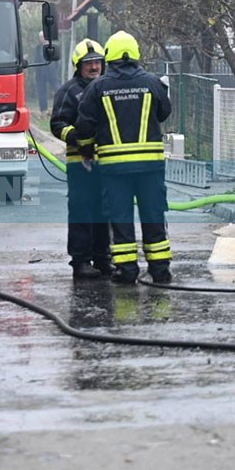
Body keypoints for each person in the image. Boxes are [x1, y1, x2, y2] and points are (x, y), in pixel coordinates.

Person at [75, 31, 174, 285]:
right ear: (136, 54)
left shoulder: (98, 87)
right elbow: (164, 112)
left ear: (109, 56)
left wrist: (87, 150)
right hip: (150, 167)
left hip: (114, 169)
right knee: (153, 215)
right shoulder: (153, 83)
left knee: (120, 218)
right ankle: (160, 270)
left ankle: (127, 270)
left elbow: (85, 126)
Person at [50, 38, 111, 279]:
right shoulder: (69, 91)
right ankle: (81, 261)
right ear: (78, 65)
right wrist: (77, 136)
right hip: (79, 164)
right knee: (82, 212)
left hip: (106, 162)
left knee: (104, 211)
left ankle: (103, 258)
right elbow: (57, 124)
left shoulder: (108, 87)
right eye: (88, 63)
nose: (94, 67)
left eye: (97, 62)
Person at [32, 36, 60, 114]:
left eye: (43, 37)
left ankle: (61, 104)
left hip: (52, 72)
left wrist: (56, 70)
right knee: (41, 91)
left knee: (57, 89)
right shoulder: (38, 48)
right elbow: (36, 59)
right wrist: (36, 70)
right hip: (41, 73)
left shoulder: (52, 46)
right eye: (40, 37)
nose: (42, 39)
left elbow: (57, 60)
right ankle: (43, 110)